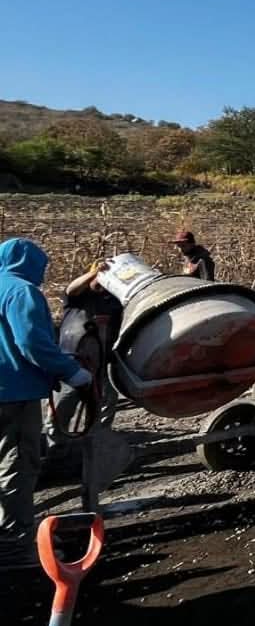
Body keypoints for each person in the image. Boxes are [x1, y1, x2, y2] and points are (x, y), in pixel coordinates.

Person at [0, 239, 94, 569]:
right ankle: (14, 547)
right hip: (12, 393)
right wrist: (74, 373)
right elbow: (32, 343)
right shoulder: (21, 292)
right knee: (17, 464)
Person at [45, 260, 124, 455]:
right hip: (73, 362)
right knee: (61, 410)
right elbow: (71, 289)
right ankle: (55, 451)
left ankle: (95, 451)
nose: (101, 281)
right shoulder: (78, 297)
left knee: (101, 410)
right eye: (98, 277)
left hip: (104, 364)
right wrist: (94, 273)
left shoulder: (114, 301)